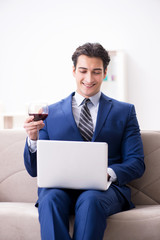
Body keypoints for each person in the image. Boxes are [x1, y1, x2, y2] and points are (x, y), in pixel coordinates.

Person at [24, 42, 145, 240]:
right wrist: (32, 139)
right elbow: (34, 170)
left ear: (105, 72)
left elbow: (136, 163)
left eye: (96, 72)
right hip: (60, 189)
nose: (89, 79)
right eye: (83, 71)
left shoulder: (125, 112)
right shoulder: (50, 113)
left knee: (90, 200)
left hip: (104, 191)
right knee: (50, 198)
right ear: (73, 71)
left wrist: (106, 174)